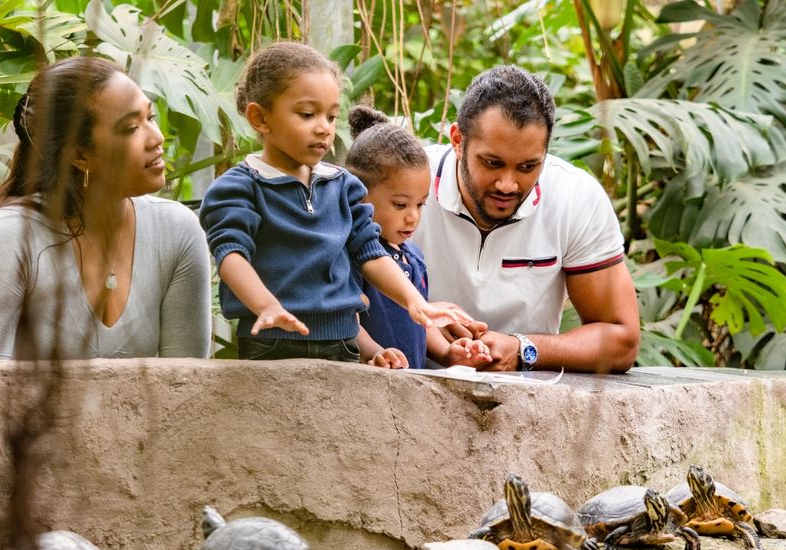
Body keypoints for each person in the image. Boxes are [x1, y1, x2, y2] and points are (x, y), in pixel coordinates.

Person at [199, 42, 475, 362]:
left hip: (343, 343)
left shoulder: (343, 187)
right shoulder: (238, 188)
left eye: (331, 116)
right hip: (271, 342)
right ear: (260, 118)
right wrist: (266, 306)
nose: (324, 128)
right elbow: (231, 256)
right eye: (307, 114)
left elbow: (370, 252)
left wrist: (415, 302)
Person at [0, 56, 213, 360]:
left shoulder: (177, 232)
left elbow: (185, 381)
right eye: (131, 127)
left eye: (150, 117)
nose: (156, 138)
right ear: (80, 155)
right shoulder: (10, 236)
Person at [413, 65, 640, 373]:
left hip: (527, 395)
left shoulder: (575, 197)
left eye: (527, 167)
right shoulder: (405, 183)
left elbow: (621, 339)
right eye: (492, 163)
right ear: (458, 141)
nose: (507, 184)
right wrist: (419, 318)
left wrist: (523, 349)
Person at [344, 105, 491, 370]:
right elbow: (344, 318)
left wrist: (447, 353)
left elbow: (420, 318)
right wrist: (375, 352)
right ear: (359, 195)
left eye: (421, 204)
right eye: (400, 205)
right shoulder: (355, 256)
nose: (413, 217)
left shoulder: (412, 256)